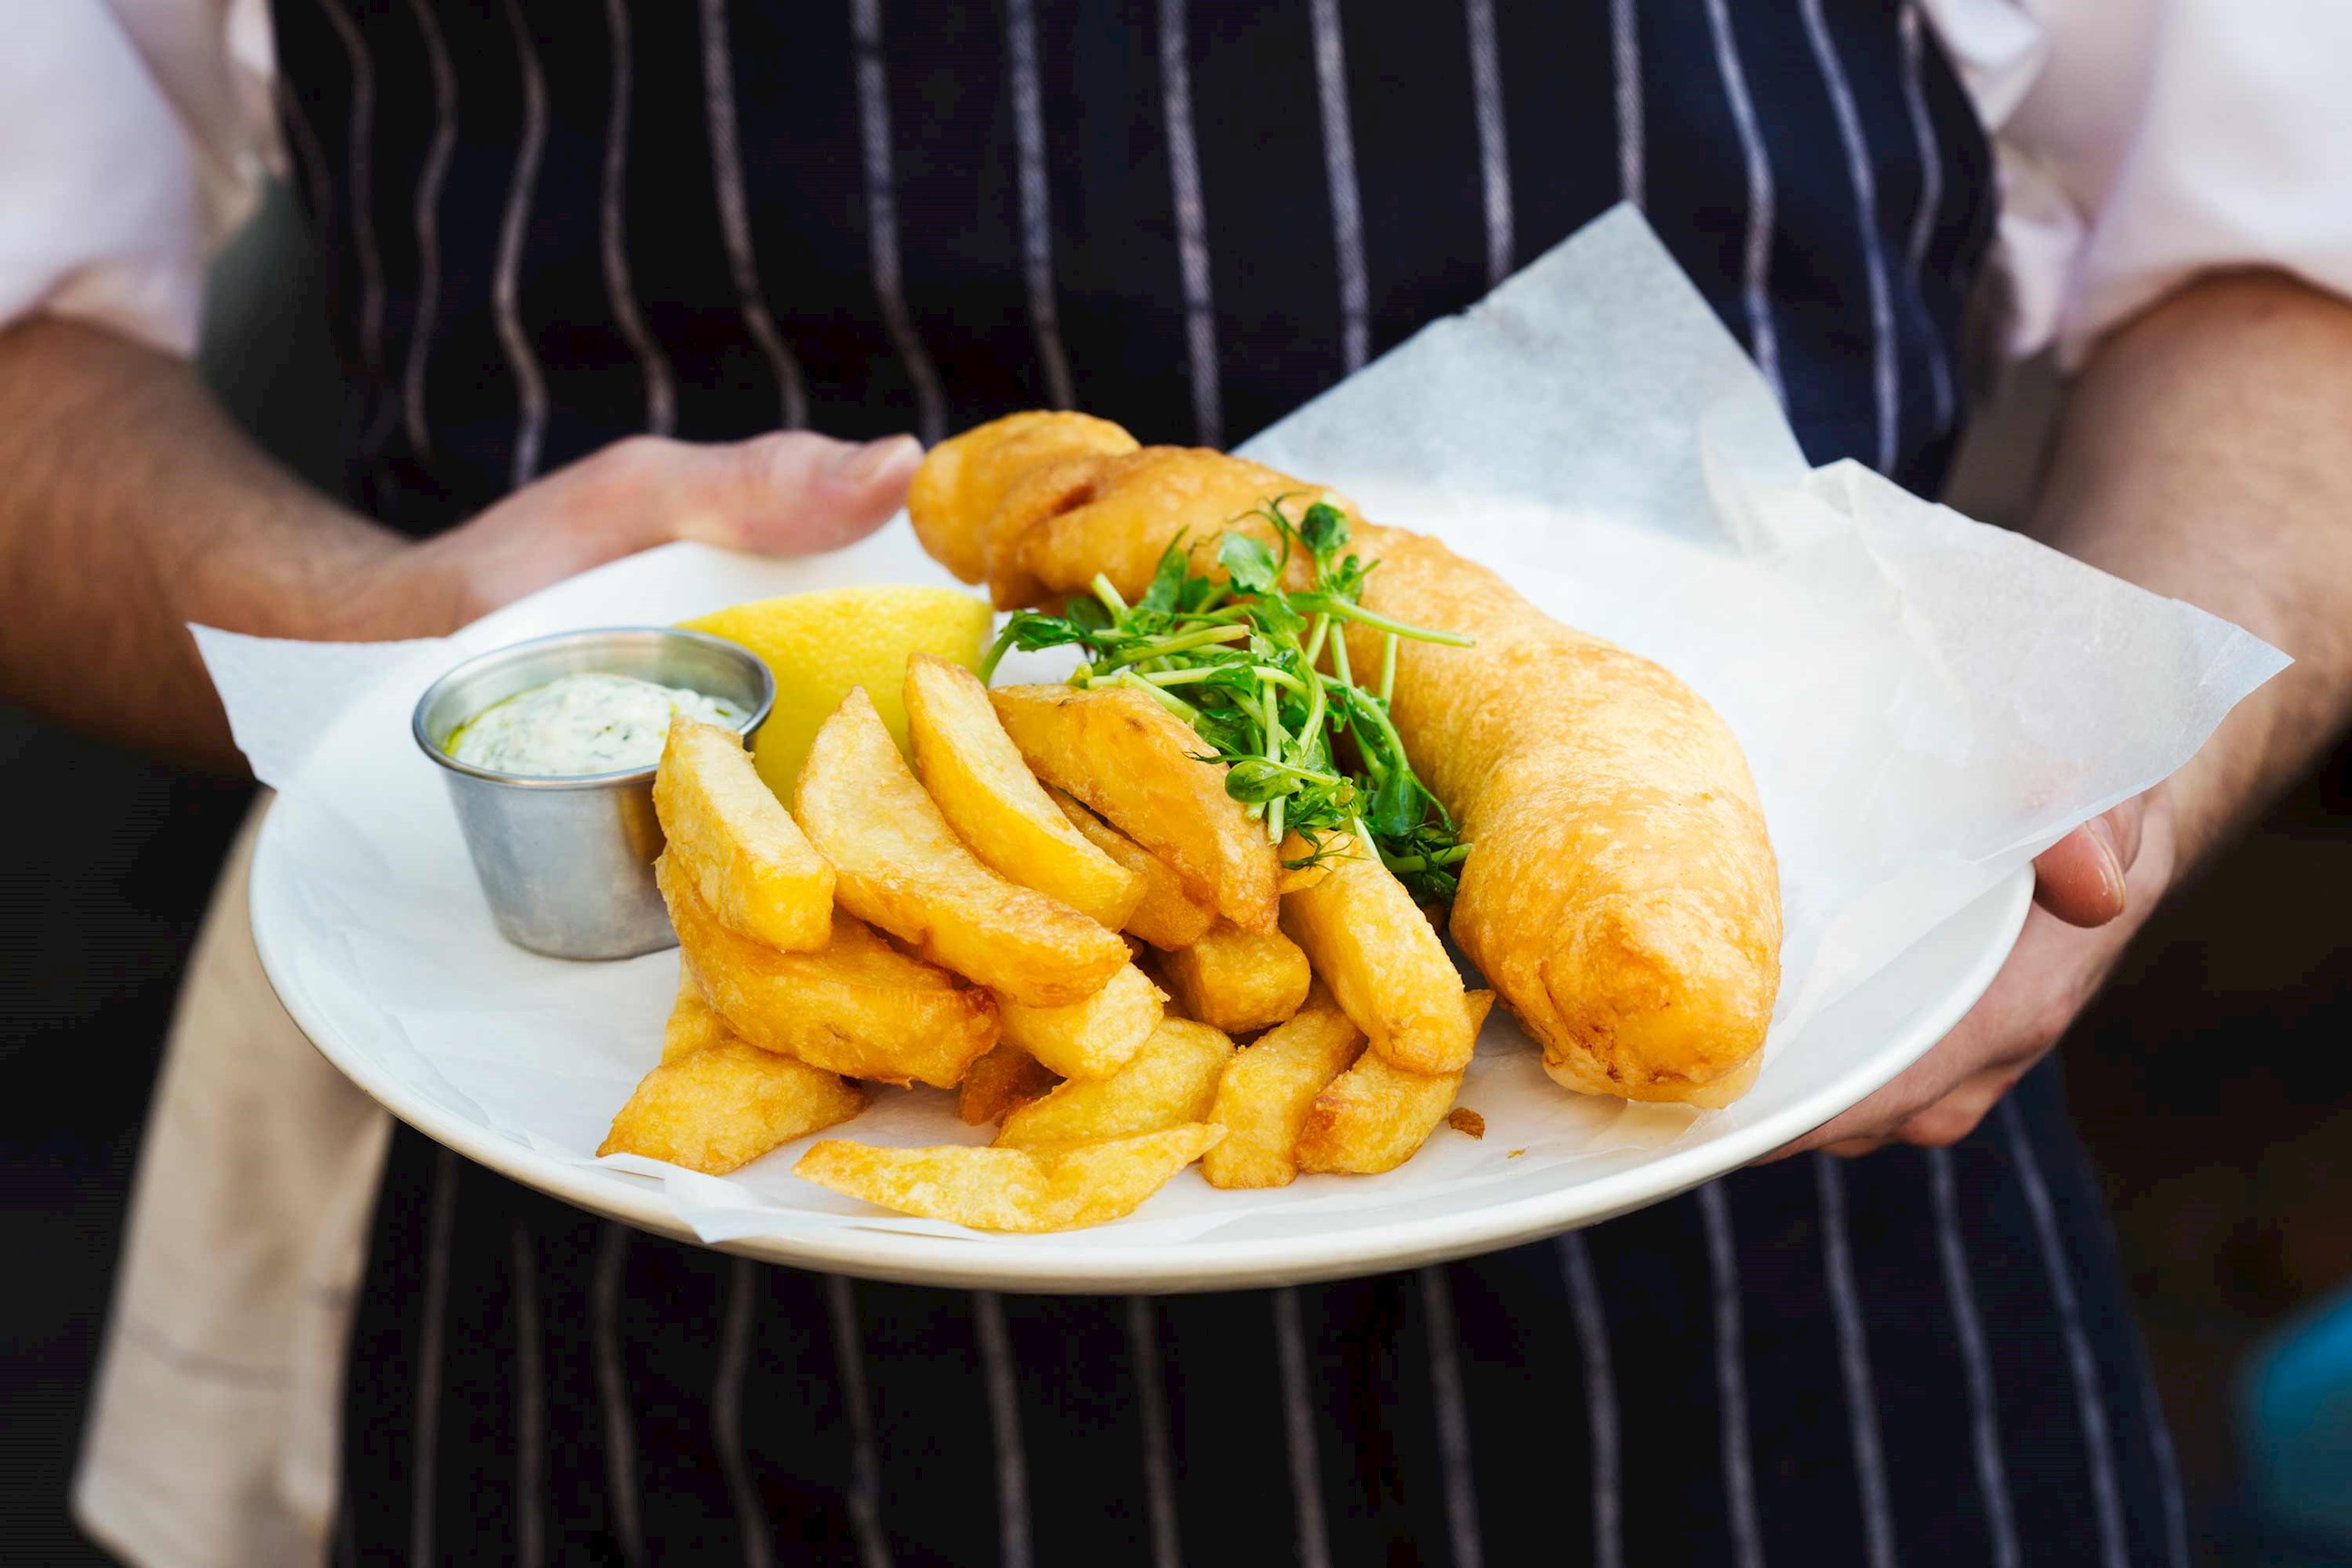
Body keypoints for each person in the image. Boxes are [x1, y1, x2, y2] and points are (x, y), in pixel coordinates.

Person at [9, 0, 2352, 1563]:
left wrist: (2115, 751)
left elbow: (2294, 257)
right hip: (642, 1296)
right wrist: (393, 649)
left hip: (1810, 1285)